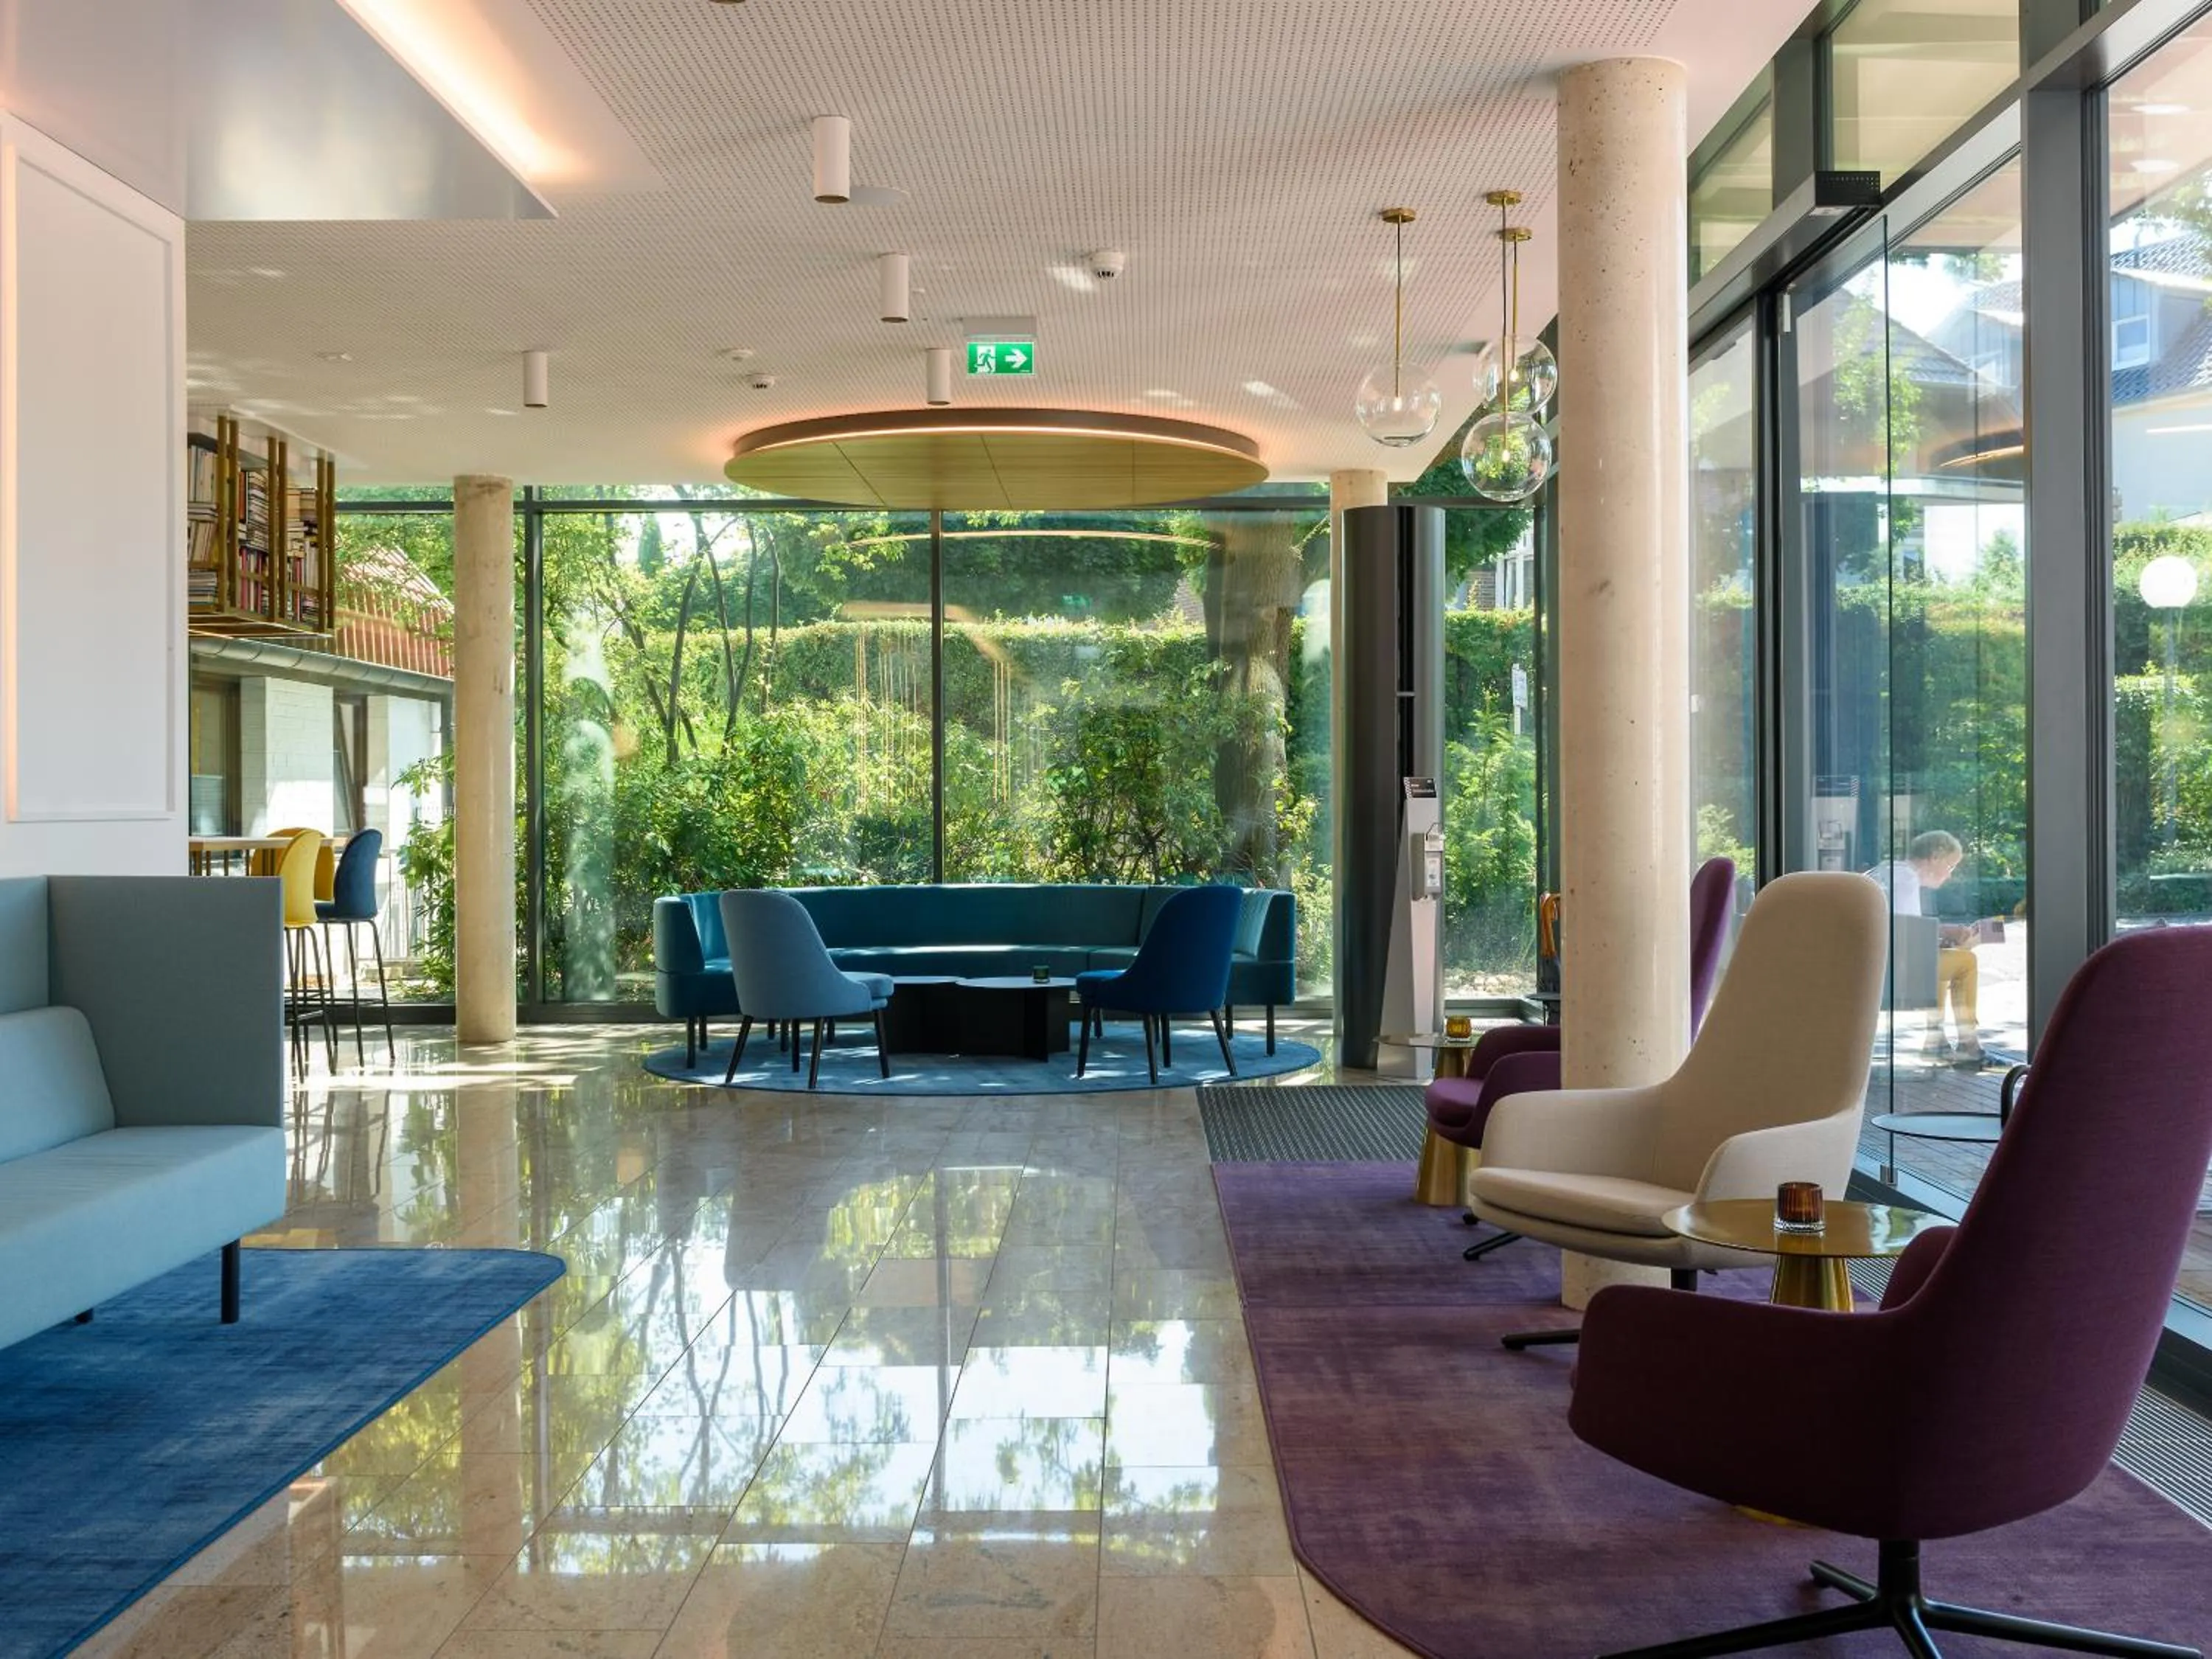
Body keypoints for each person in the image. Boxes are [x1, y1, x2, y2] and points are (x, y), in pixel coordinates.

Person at [1870, 830, 1983, 1069]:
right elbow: (1906, 934)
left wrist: (1938, 939)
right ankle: (1968, 1044)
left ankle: (1937, 1041)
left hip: (1873, 966)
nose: (1950, 875)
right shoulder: (1906, 880)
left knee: (1941, 962)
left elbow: (1898, 930)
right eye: (1951, 866)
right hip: (1892, 975)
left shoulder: (1886, 871)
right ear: (1935, 857)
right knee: (1966, 962)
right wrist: (1948, 932)